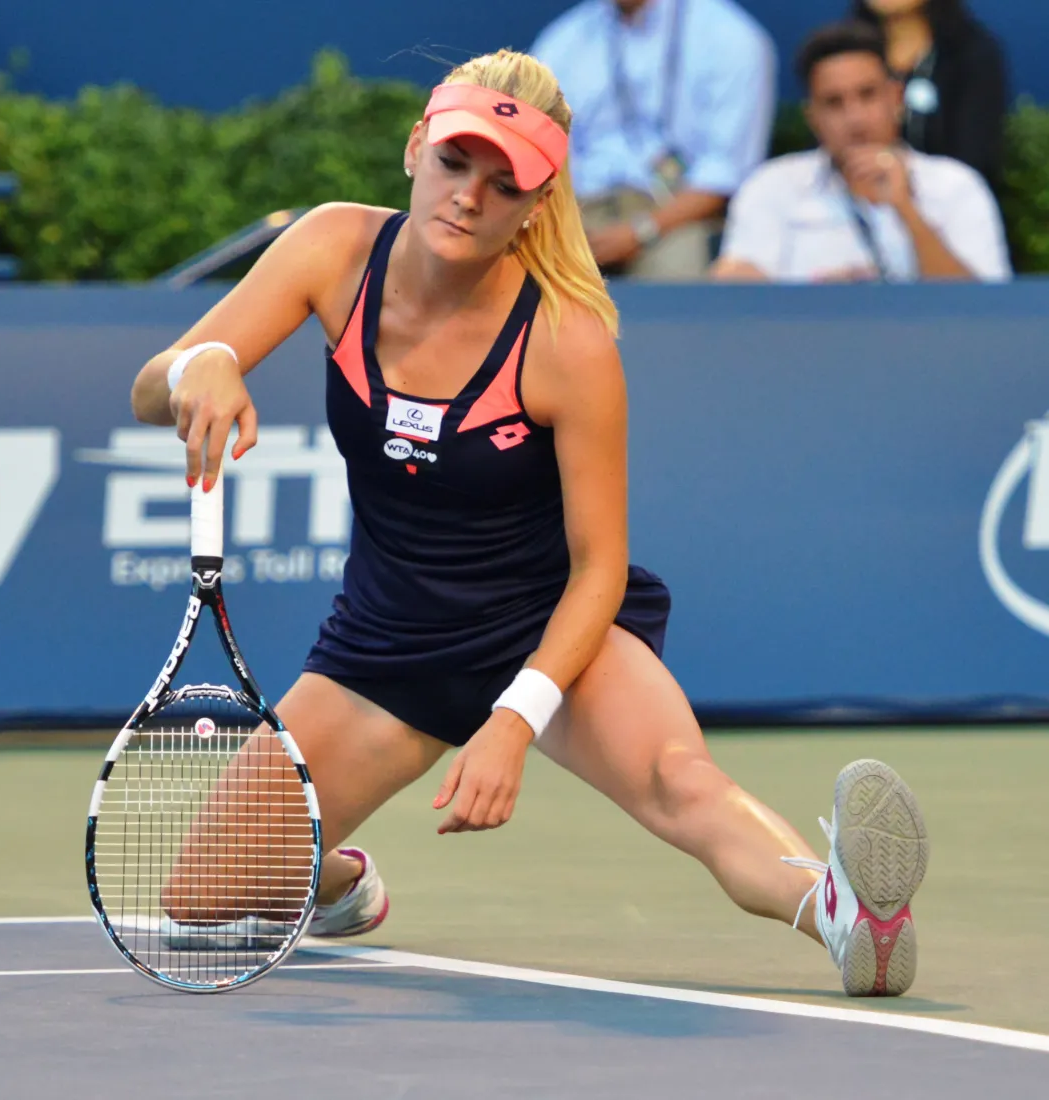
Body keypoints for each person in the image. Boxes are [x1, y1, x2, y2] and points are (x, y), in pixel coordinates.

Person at [131, 49, 930, 997]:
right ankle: (328, 878)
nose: (471, 196)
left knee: (681, 781)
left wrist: (514, 719)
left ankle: (843, 914)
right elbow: (153, 386)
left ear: (538, 205)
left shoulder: (568, 341)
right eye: (457, 162)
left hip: (556, 628)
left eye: (506, 182)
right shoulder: (332, 250)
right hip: (388, 646)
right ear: (415, 147)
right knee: (196, 900)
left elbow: (601, 568)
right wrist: (203, 364)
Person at [711, 22, 1010, 284]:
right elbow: (744, 294)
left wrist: (907, 210)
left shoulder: (956, 186)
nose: (855, 118)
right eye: (834, 103)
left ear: (896, 98)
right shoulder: (772, 187)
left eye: (867, 95)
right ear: (812, 117)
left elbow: (981, 312)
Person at [528, 0, 777, 280]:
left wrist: (641, 231)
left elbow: (724, 175)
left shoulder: (731, 37)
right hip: (578, 207)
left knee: (676, 269)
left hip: (675, 213)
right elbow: (539, 152)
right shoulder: (564, 40)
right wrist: (563, 224)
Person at [850, 0, 1009, 191]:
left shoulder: (971, 54)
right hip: (848, 206)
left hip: (945, 206)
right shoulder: (841, 54)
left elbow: (973, 160)